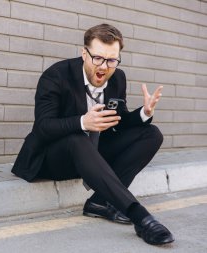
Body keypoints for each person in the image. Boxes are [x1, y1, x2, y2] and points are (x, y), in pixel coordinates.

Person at [12, 23, 174, 245]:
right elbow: (43, 127)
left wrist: (143, 114)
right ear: (84, 53)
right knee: (78, 136)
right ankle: (140, 216)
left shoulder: (117, 78)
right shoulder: (56, 75)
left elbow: (119, 121)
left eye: (111, 60)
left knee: (152, 134)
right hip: (52, 158)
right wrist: (82, 122)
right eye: (97, 58)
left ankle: (99, 202)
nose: (104, 66)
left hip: (92, 154)